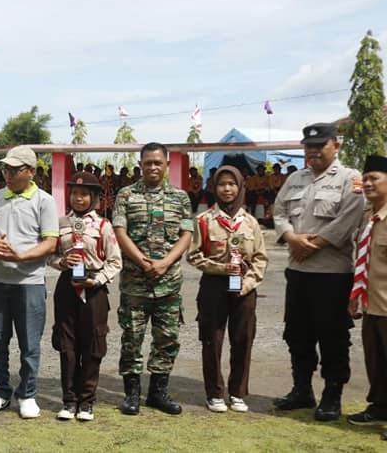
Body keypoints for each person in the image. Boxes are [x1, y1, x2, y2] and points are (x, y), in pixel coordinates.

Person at [272, 123, 365, 421]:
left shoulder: (351, 179)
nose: (312, 151)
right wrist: (291, 238)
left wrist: (312, 244)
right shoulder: (295, 179)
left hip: (332, 274)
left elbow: (348, 218)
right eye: (308, 146)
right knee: (297, 332)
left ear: (335, 145)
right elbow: (279, 212)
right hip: (297, 271)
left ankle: (332, 395)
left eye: (319, 145)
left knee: (333, 335)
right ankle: (302, 390)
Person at [0, 145, 58, 419]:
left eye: (14, 170)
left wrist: (21, 256)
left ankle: (28, 394)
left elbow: (50, 242)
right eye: (5, 170)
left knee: (29, 343)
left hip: (30, 282)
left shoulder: (44, 201)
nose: (8, 175)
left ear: (31, 171)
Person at [112, 142, 193, 416]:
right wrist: (144, 262)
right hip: (136, 282)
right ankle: (132, 394)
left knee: (167, 339)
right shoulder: (126, 194)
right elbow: (120, 232)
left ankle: (158, 393)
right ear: (141, 164)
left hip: (169, 282)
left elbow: (186, 235)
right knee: (132, 338)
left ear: (167, 165)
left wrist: (165, 263)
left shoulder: (180, 197)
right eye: (148, 162)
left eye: (158, 162)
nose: (153, 167)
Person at [186, 166, 267, 414]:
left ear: (240, 186)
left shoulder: (251, 222)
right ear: (214, 188)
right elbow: (194, 255)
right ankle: (214, 393)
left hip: (244, 289)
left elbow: (260, 257)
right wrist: (220, 269)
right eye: (222, 184)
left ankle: (238, 392)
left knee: (243, 340)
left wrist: (248, 283)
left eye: (232, 183)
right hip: (213, 286)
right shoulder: (203, 220)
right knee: (212, 340)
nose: (227, 188)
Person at [47, 172, 121, 422]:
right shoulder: (59, 224)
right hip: (67, 286)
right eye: (75, 193)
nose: (78, 198)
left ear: (93, 197)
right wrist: (61, 262)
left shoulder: (103, 225)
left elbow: (115, 261)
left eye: (84, 194)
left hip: (94, 288)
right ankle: (69, 401)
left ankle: (87, 402)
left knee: (92, 345)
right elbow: (49, 255)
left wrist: (97, 280)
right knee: (67, 346)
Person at [347, 155, 387, 432]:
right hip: (371, 304)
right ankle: (380, 408)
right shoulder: (368, 216)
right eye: (367, 178)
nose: (368, 183)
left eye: (375, 178)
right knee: (375, 361)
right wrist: (355, 296)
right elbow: (362, 258)